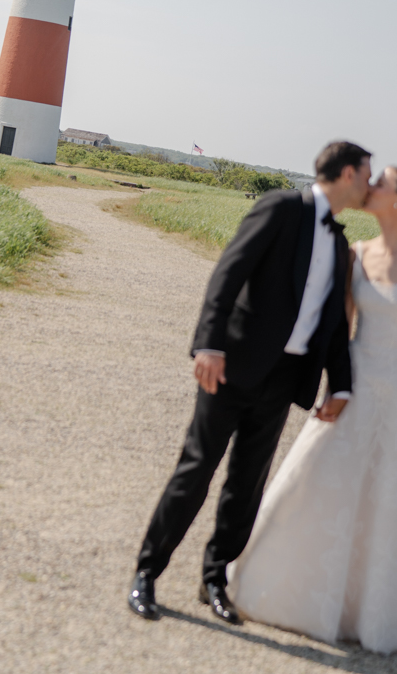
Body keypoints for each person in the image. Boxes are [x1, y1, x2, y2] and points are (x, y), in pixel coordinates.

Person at [128, 140, 373, 623]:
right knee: (196, 471)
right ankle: (147, 574)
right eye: (367, 173)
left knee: (247, 483)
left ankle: (214, 579)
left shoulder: (340, 242)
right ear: (347, 174)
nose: (370, 183)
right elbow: (229, 271)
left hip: (284, 379)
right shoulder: (282, 206)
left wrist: (340, 384)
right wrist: (209, 344)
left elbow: (333, 323)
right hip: (232, 365)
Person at [227, 166, 397, 654]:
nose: (371, 187)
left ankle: (374, 603)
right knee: (320, 473)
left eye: (382, 182)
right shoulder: (355, 254)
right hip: (357, 382)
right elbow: (340, 328)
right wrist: (333, 386)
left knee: (390, 489)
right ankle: (290, 585)